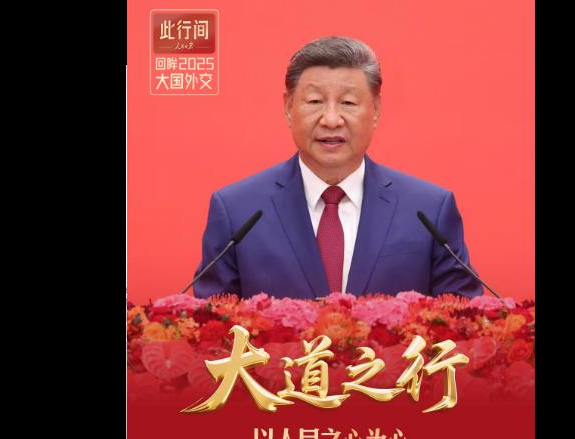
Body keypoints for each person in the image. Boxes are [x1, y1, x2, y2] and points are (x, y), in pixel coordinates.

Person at [193, 36, 482, 300]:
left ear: (376, 110)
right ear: (288, 107)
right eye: (315, 101)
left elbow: (463, 319)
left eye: (348, 102)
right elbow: (210, 325)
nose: (331, 119)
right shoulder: (237, 211)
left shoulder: (429, 210)